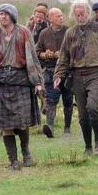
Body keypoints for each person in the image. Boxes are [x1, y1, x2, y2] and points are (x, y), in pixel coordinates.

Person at [0, 4, 44, 170]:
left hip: (21, 81)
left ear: (12, 16)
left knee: (22, 124)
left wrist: (37, 82)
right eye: (0, 14)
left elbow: (32, 59)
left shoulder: (24, 33)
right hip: (2, 84)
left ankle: (26, 152)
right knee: (6, 126)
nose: (3, 17)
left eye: (6, 14)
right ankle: (13, 160)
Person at [53, 1, 98, 156]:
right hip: (77, 75)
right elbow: (63, 57)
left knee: (93, 108)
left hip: (96, 73)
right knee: (82, 115)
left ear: (88, 13)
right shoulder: (70, 33)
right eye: (77, 14)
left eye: (82, 14)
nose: (80, 17)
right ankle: (88, 146)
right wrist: (58, 75)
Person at [36, 8, 73, 137]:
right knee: (51, 99)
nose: (61, 18)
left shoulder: (69, 31)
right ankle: (50, 126)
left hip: (67, 71)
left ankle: (67, 127)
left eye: (62, 16)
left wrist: (62, 55)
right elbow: (37, 52)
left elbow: (76, 51)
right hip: (50, 70)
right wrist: (45, 54)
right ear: (50, 18)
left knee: (68, 99)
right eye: (58, 16)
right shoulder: (44, 33)